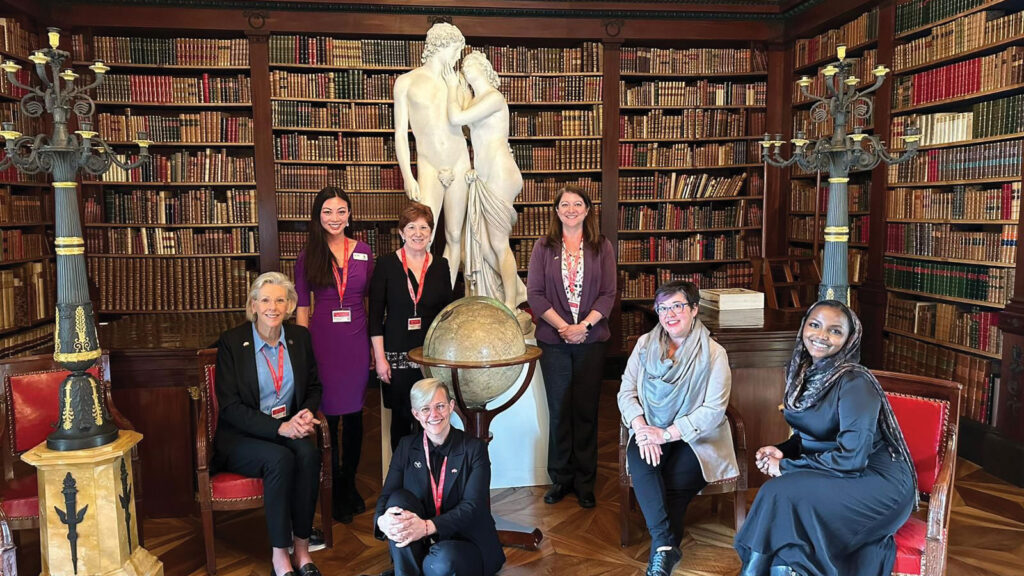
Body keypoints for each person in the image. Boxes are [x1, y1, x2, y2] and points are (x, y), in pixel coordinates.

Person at [734, 300, 917, 576]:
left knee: (778, 493)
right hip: (836, 469)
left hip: (876, 481)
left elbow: (852, 458)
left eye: (834, 331)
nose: (821, 336)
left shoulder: (855, 382)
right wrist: (784, 451)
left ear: (849, 339)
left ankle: (752, 572)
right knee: (784, 512)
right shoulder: (802, 372)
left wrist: (785, 468)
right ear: (804, 326)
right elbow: (813, 435)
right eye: (815, 325)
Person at [617, 281, 739, 576]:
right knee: (647, 464)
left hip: (696, 437)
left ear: (694, 309)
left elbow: (713, 411)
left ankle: (661, 547)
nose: (669, 314)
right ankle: (665, 546)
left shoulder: (714, 353)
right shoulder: (645, 345)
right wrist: (642, 427)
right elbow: (626, 392)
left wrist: (667, 434)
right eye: (662, 308)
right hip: (648, 428)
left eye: (677, 306)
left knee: (671, 483)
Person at [213, 272, 324, 576]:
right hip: (242, 436)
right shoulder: (233, 342)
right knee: (280, 459)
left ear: (290, 305)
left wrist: (305, 413)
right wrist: (280, 428)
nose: (272, 307)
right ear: (253, 305)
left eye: (279, 300)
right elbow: (231, 408)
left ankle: (302, 550)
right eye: (265, 300)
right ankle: (280, 555)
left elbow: (314, 387)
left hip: (287, 427)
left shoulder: (299, 338)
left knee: (308, 455)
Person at [526, 184, 615, 509]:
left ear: (588, 210)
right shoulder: (543, 246)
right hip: (554, 342)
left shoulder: (600, 246)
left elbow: (608, 293)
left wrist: (583, 327)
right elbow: (535, 293)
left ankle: (585, 482)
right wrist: (564, 327)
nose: (571, 209)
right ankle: (561, 479)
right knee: (560, 410)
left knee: (586, 411)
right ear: (557, 209)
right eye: (565, 204)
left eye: (578, 204)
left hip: (592, 341)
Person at [294, 187, 374, 525]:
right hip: (323, 344)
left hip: (356, 342)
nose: (335, 218)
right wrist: (302, 351)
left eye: (341, 211)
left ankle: (348, 482)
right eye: (328, 212)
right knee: (331, 418)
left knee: (355, 417)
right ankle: (335, 486)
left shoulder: (365, 253)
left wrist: (372, 343)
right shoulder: (307, 255)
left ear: (350, 215)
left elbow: (370, 300)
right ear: (318, 216)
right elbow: (301, 307)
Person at [373, 378, 505, 576]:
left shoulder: (474, 448)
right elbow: (387, 494)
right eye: (425, 409)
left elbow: (473, 506)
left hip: (464, 541)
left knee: (442, 563)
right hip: (420, 541)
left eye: (440, 406)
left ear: (451, 407)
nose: (434, 415)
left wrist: (426, 527)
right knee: (397, 503)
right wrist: (382, 521)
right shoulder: (406, 447)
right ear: (415, 414)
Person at [440, 51, 526, 312]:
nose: (466, 69)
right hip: (483, 176)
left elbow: (456, 118)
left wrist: (452, 87)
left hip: (500, 172)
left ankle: (511, 304)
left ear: (485, 68)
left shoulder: (494, 98)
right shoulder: (477, 100)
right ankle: (516, 289)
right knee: (486, 245)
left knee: (499, 244)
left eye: (471, 65)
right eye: (464, 67)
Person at [369, 202, 454, 450]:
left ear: (430, 232)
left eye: (424, 227)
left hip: (430, 356)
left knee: (432, 417)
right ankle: (403, 476)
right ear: (401, 232)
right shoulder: (385, 264)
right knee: (402, 419)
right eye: (411, 227)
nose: (418, 233)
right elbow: (375, 316)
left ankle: (429, 476)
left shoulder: (440, 265)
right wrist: (380, 358)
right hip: (396, 355)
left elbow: (446, 315)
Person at [393, 22, 471, 287]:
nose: (458, 57)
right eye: (457, 50)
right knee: (423, 234)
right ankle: (422, 295)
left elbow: (472, 119)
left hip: (459, 161)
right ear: (444, 45)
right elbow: (400, 134)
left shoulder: (458, 81)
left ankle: (444, 297)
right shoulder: (407, 82)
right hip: (428, 164)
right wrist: (408, 176)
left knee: (454, 235)